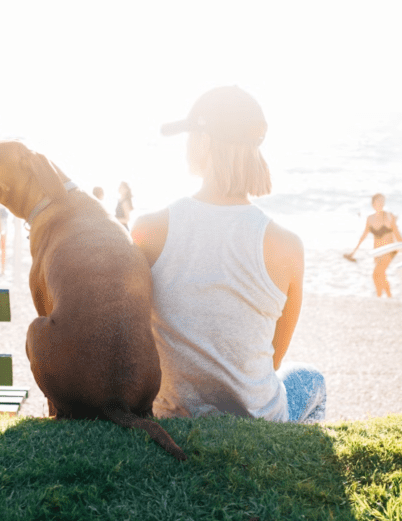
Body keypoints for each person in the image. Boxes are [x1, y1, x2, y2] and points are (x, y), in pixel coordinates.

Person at [131, 86, 325, 423]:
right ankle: (294, 460)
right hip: (258, 419)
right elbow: (273, 361)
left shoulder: (149, 229)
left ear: (204, 141)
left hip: (172, 415)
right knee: (312, 379)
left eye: (191, 134)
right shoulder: (287, 245)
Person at [345, 193, 402, 297]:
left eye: (383, 201)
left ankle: (382, 297)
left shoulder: (389, 216)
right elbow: (363, 236)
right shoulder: (370, 218)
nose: (381, 203)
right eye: (378, 201)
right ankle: (386, 296)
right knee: (381, 275)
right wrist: (354, 251)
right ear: (373, 203)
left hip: (389, 250)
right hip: (377, 251)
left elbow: (397, 233)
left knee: (376, 274)